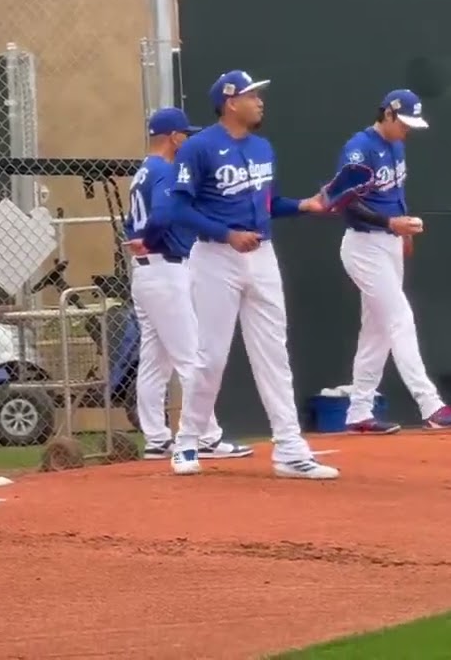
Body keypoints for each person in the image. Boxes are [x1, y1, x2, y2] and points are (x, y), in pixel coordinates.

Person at [165, 70, 337, 480]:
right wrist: (226, 233)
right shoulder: (199, 148)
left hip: (262, 255)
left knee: (274, 353)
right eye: (251, 95)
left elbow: (268, 202)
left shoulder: (262, 147)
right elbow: (179, 209)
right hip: (215, 257)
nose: (260, 101)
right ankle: (188, 441)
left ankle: (290, 448)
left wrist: (305, 206)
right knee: (211, 356)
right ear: (230, 103)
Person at [333, 90, 451, 434]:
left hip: (388, 243)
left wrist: (401, 229)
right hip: (363, 246)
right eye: (404, 123)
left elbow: (395, 193)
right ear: (388, 115)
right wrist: (391, 224)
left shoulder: (397, 145)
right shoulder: (358, 148)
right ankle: (430, 405)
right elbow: (345, 202)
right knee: (400, 318)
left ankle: (359, 411)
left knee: (376, 331)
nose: (408, 130)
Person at [124, 108, 252, 461]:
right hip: (165, 269)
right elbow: (163, 215)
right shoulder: (166, 169)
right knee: (191, 356)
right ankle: (207, 436)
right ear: (174, 136)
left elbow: (129, 223)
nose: (188, 139)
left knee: (154, 360)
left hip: (145, 273)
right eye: (185, 133)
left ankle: (156, 437)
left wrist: (140, 238)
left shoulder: (143, 171)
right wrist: (150, 237)